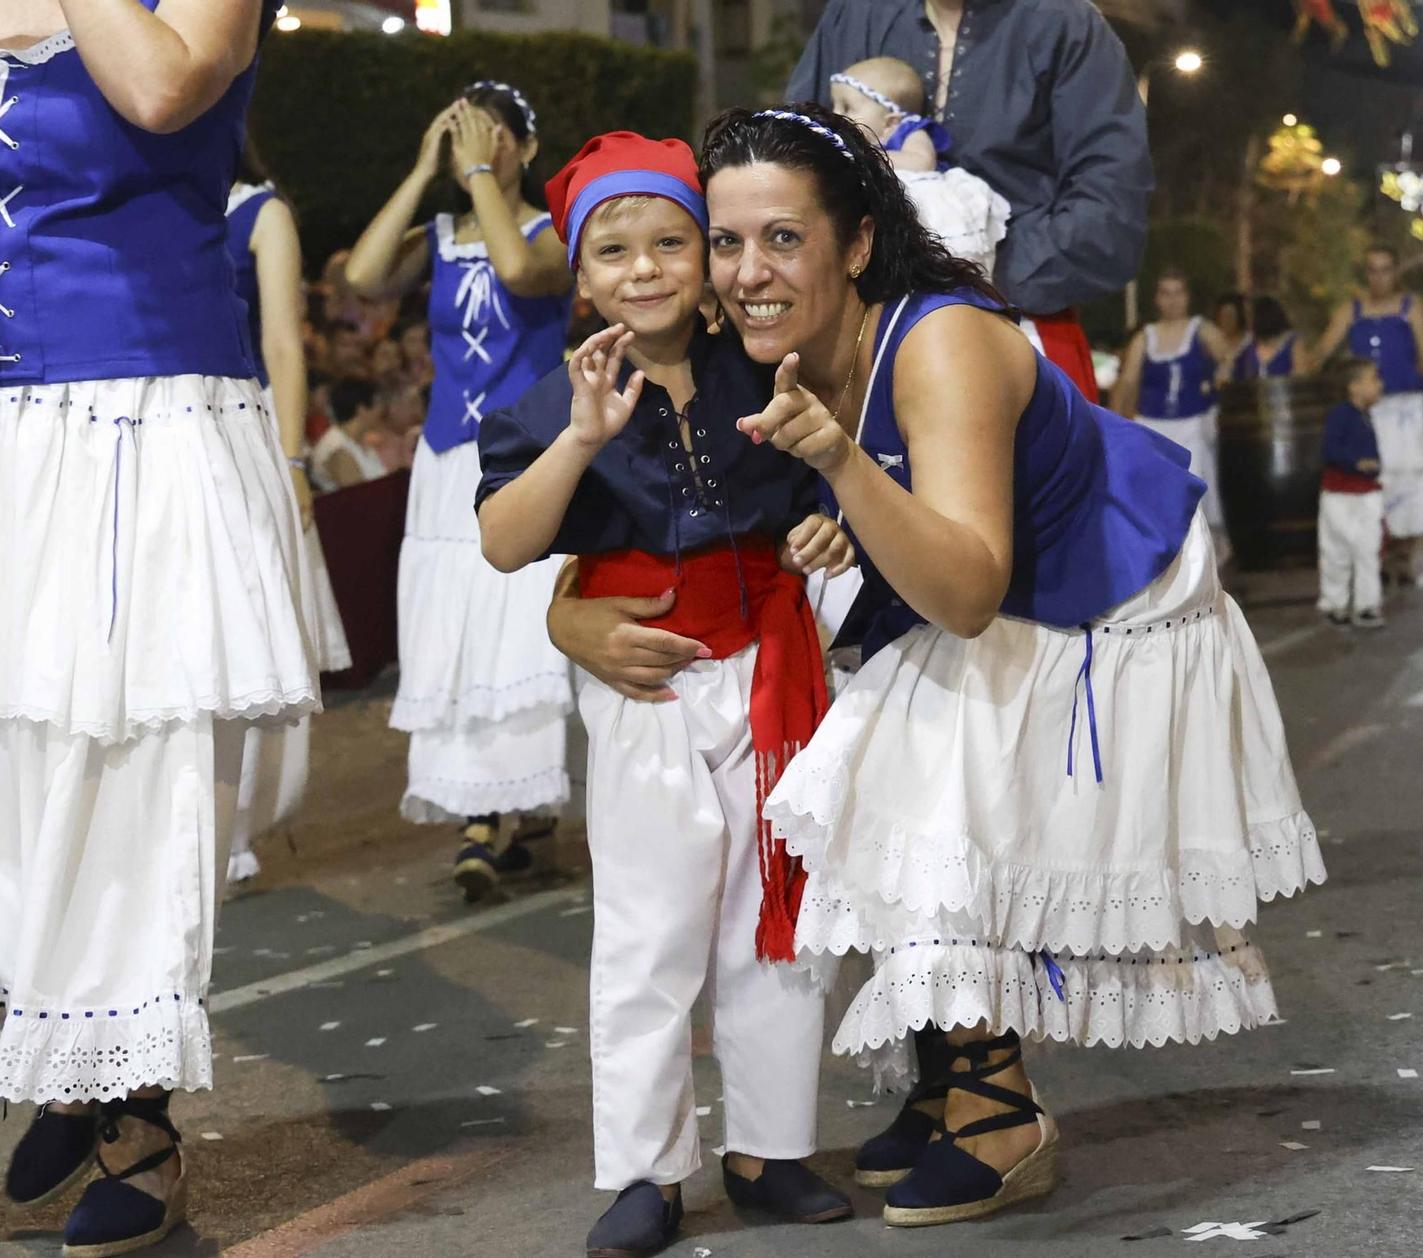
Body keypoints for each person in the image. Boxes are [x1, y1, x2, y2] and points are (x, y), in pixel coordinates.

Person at [687, 104, 1318, 1228]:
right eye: (726, 241)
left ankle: (999, 1109)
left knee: (920, 774)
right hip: (1009, 581)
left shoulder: (939, 341)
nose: (748, 271)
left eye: (782, 239)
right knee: (879, 756)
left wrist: (841, 467)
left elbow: (968, 590)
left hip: (1112, 588)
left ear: (858, 242)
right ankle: (948, 1074)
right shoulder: (776, 341)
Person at [475, 131, 856, 1258]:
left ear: (705, 256)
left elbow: (814, 490)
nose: (642, 267)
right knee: (649, 933)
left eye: (668, 242)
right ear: (580, 274)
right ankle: (647, 1170)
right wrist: (582, 439)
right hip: (645, 680)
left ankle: (770, 1151)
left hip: (771, 674)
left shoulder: (765, 365)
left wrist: (824, 522)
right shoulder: (562, 396)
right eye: (612, 249)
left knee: (772, 922)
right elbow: (505, 542)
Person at [0, 4, 318, 1253]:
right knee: (10, 765)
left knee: (125, 766)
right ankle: (73, 1059)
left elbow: (164, 93)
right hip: (7, 421)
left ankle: (136, 1119)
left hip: (136, 405)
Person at [344, 81, 576, 891]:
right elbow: (365, 277)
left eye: (493, 135)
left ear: (526, 146)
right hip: (447, 462)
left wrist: (480, 173)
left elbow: (516, 270)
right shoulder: (439, 234)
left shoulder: (555, 233)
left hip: (527, 457)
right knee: (457, 624)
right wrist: (422, 170)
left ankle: (502, 810)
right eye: (463, 136)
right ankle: (487, 810)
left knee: (513, 626)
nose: (478, 148)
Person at [786, 0, 1153, 401]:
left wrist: (976, 267)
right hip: (864, 338)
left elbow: (1111, 212)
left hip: (1024, 328)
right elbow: (793, 168)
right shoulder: (855, 15)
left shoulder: (1065, 24)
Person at [224, 143, 354, 888]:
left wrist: (293, 460)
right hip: (173, 422)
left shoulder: (262, 211)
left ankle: (239, 822)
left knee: (253, 624)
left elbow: (282, 343)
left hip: (250, 427)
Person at [1310, 245, 1423, 585]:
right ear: (1366, 274)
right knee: (1375, 479)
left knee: (1409, 478)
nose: (1379, 276)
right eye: (1373, 269)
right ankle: (1380, 552)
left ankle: (1405, 555)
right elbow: (1324, 349)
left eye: (1386, 269)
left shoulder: (1410, 307)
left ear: (1395, 272)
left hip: (1407, 405)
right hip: (1369, 411)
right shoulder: (1351, 311)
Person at [828, 58, 1008, 280]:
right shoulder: (848, 146)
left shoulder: (908, 131)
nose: (836, 114)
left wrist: (872, 157)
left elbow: (922, 162)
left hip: (922, 205)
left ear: (891, 121)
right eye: (834, 105)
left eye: (846, 107)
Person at [1113, 270, 1234, 538]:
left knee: (1195, 499)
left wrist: (1216, 381)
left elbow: (1228, 359)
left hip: (1192, 424)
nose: (1173, 301)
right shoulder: (1145, 336)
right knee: (1153, 500)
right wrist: (1115, 422)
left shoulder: (1201, 330)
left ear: (1187, 297)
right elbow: (1128, 381)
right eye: (1166, 294)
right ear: (1157, 299)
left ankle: (1199, 562)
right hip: (1152, 426)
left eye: (1178, 293)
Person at [1318, 357, 1385, 628]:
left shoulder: (1364, 416)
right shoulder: (1342, 416)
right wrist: (1356, 462)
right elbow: (1329, 450)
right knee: (1337, 550)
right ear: (1354, 387)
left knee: (1367, 549)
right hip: (1340, 494)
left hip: (1365, 493)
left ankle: (1366, 604)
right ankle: (1335, 603)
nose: (1380, 384)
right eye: (1374, 379)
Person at [310, 376, 390, 491]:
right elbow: (359, 497)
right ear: (361, 409)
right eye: (377, 403)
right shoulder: (338, 450)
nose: (381, 409)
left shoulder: (360, 442)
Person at [1234, 295, 1315, 380]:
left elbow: (1300, 376)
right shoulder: (1249, 344)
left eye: (1249, 314)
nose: (1245, 319)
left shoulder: (1293, 341)